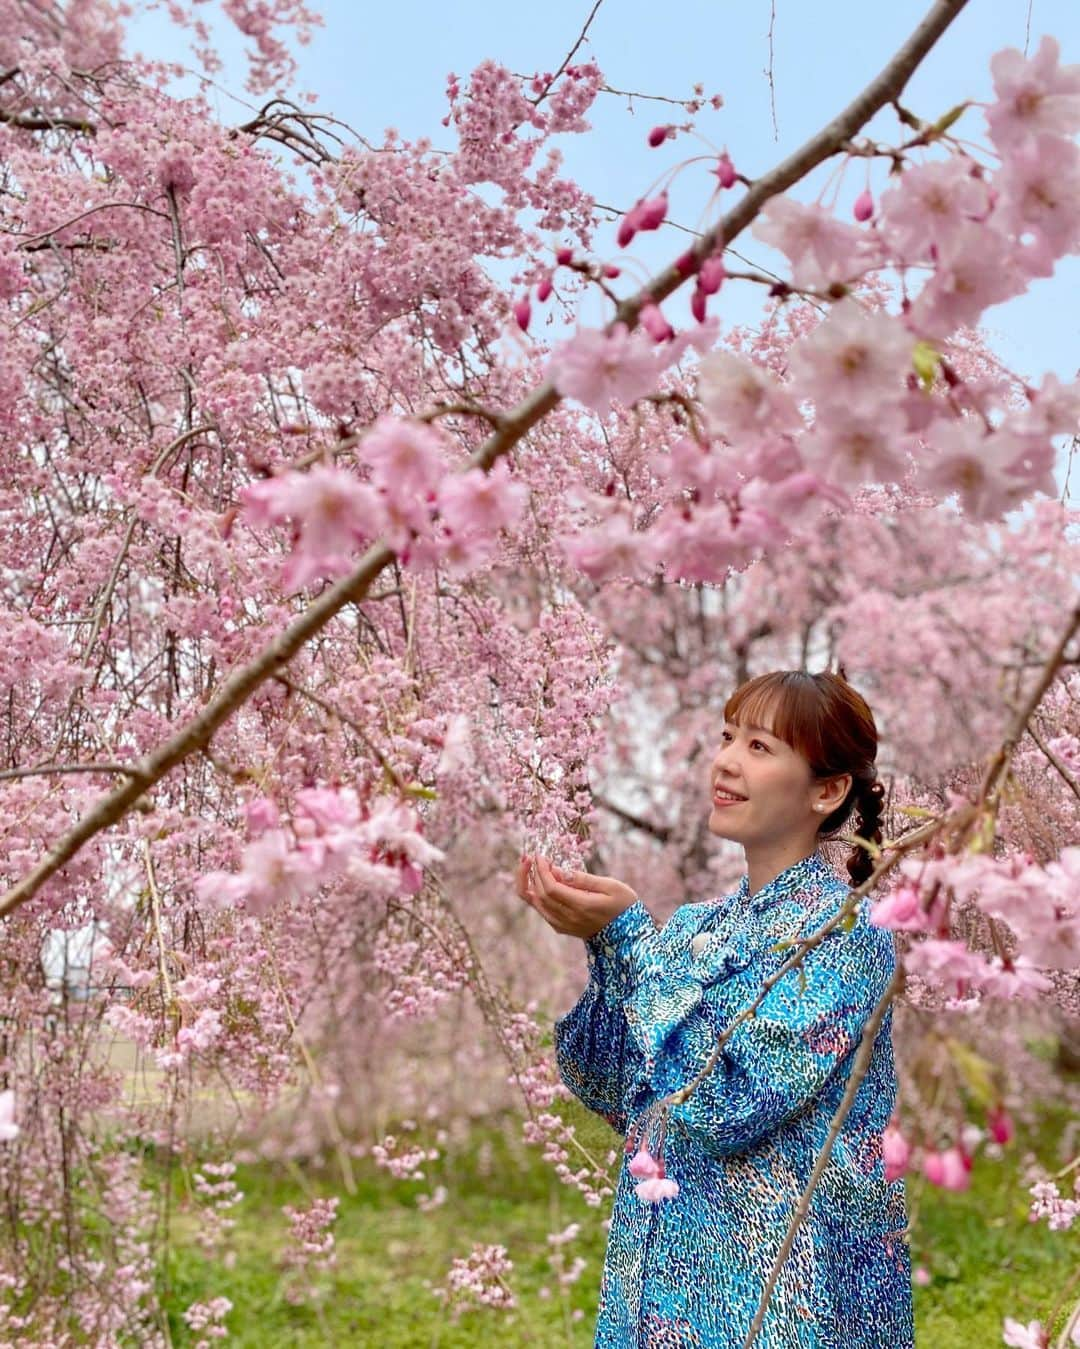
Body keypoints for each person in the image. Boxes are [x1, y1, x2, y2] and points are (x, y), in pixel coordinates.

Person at [516, 668, 913, 1348]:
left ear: (828, 788)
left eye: (760, 747)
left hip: (787, 1305)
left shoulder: (850, 934)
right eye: (729, 737)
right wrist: (607, 947)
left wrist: (630, 936)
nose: (726, 761)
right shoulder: (701, 927)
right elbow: (612, 1086)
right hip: (661, 1294)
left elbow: (728, 1100)